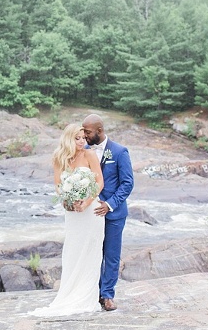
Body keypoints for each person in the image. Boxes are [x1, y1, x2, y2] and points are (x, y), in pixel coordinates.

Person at [30, 123, 104, 316]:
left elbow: (99, 182)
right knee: (72, 251)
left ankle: (87, 297)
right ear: (68, 139)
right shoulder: (59, 157)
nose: (81, 142)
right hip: (72, 212)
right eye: (77, 138)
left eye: (83, 138)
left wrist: (87, 202)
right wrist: (67, 200)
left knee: (90, 253)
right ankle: (69, 294)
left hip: (91, 211)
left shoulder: (89, 155)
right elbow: (58, 184)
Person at [82, 113, 134, 312]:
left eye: (88, 132)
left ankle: (107, 295)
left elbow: (127, 183)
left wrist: (110, 204)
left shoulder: (120, 152)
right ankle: (91, 293)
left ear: (100, 131)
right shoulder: (84, 151)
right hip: (91, 213)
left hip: (114, 213)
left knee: (111, 255)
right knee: (92, 254)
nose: (85, 136)